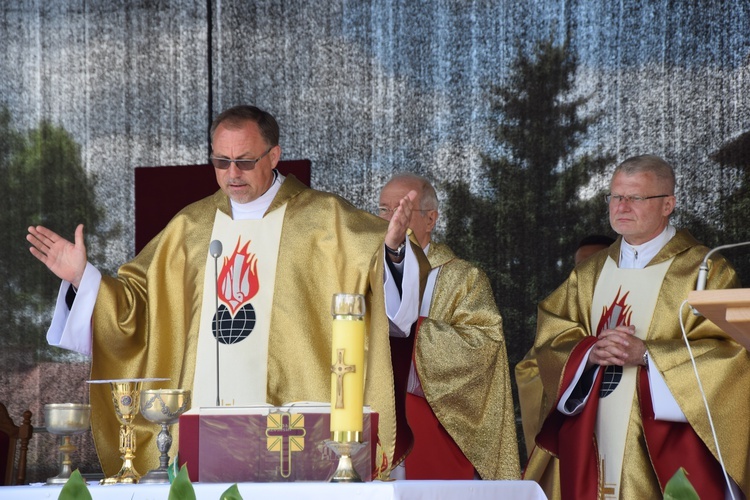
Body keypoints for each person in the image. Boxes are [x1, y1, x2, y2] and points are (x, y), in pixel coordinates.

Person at [27, 105, 423, 478]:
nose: (232, 173)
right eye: (221, 161)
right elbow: (136, 307)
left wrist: (393, 253)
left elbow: (384, 298)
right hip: (204, 430)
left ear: (274, 156)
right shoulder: (190, 227)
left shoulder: (326, 219)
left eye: (245, 161)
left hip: (297, 428)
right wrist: (84, 279)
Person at [523, 155, 750, 499]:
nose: (622, 207)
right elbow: (552, 334)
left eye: (636, 198)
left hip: (663, 445)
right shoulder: (589, 273)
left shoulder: (705, 269)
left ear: (668, 205)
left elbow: (731, 353)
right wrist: (588, 352)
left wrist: (648, 354)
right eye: (616, 197)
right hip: (592, 434)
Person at [377, 173, 520, 480]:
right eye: (384, 210)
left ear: (431, 220)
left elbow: (484, 345)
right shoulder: (365, 270)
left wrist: (410, 334)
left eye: (402, 210)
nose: (392, 219)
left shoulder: (464, 277)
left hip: (435, 424)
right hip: (376, 418)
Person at [516, 233, 615, 456]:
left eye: (596, 263)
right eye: (580, 266)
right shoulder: (563, 314)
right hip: (576, 424)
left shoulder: (636, 302)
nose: (587, 272)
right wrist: (581, 360)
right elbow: (530, 369)